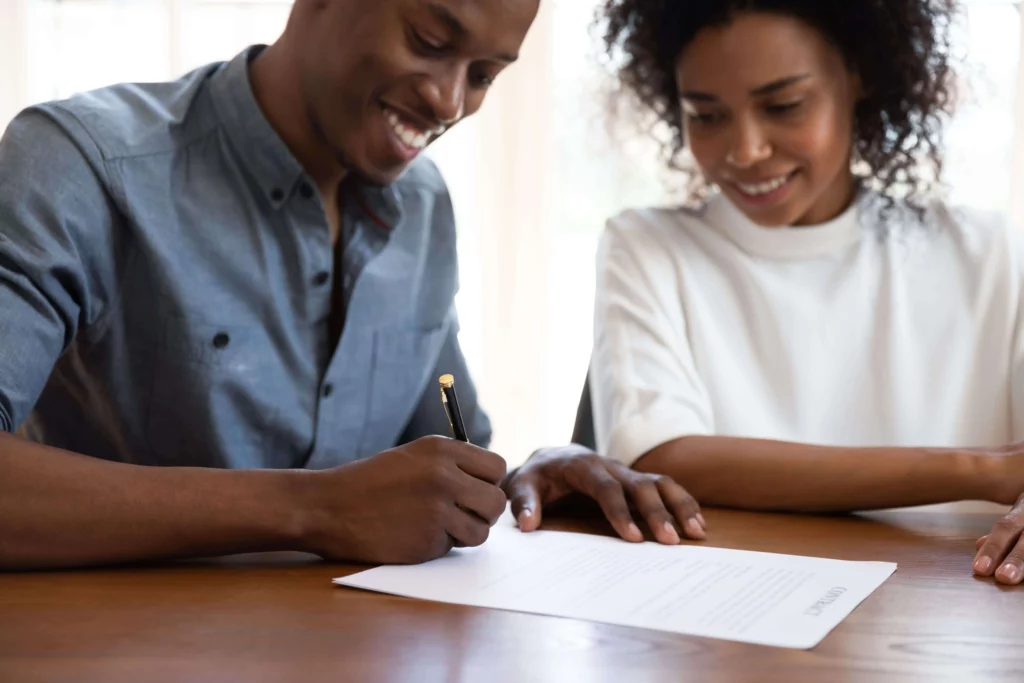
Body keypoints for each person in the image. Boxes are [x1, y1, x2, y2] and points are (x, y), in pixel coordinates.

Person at [0, 0, 705, 571]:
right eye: (430, 39)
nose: (450, 100)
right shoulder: (81, 166)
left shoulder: (423, 209)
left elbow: (438, 461)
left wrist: (533, 472)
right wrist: (313, 509)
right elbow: (347, 506)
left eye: (486, 74)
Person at [591, 0, 1024, 586]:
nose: (745, 150)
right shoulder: (648, 246)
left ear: (858, 75)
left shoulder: (990, 253)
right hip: (729, 617)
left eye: (783, 106)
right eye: (707, 115)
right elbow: (662, 457)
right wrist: (984, 472)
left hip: (953, 609)